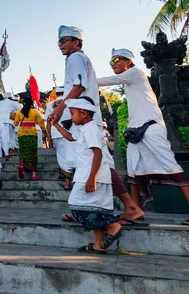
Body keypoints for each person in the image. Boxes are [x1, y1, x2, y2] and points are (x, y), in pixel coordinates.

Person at [48, 26, 144, 223]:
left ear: (76, 42)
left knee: (103, 165)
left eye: (64, 40)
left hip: (85, 119)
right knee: (86, 161)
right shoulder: (77, 59)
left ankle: (130, 206)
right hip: (81, 117)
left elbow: (79, 85)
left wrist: (60, 108)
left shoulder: (76, 58)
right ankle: (85, 208)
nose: (60, 45)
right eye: (59, 41)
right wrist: (63, 102)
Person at [98, 48, 189, 225]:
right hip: (137, 132)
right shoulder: (129, 79)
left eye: (117, 59)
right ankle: (135, 210)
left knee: (172, 168)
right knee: (134, 170)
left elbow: (110, 80)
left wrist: (83, 82)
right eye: (111, 61)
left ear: (129, 61)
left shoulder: (135, 72)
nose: (113, 64)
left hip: (151, 130)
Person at [52, 97, 122, 254]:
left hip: (92, 176)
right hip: (86, 175)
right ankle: (98, 244)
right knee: (93, 210)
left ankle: (113, 227)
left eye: (72, 113)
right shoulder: (83, 129)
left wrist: (92, 178)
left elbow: (98, 154)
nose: (71, 117)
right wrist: (55, 125)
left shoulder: (91, 130)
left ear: (83, 113)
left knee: (76, 206)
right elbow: (70, 137)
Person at [45, 86, 73, 190]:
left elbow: (48, 121)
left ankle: (66, 179)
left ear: (56, 94)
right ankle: (67, 179)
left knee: (61, 155)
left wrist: (48, 135)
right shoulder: (69, 102)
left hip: (56, 132)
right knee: (68, 154)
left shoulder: (49, 105)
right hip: (69, 132)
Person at [14, 97, 47, 181]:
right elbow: (41, 123)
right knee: (32, 152)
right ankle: (34, 174)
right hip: (32, 134)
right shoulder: (35, 112)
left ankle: (22, 166)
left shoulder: (18, 112)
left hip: (22, 134)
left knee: (23, 151)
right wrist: (44, 131)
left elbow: (15, 124)